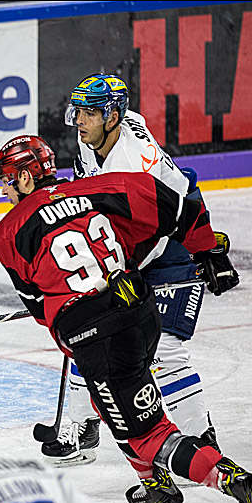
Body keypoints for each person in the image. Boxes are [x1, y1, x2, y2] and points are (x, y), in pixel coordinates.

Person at [0, 134, 252, 503]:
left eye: (5, 181)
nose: (3, 191)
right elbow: (181, 207)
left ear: (25, 177)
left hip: (102, 334)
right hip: (140, 311)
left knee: (149, 435)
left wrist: (74, 334)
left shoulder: (8, 233)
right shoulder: (104, 186)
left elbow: (38, 305)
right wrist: (207, 251)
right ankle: (155, 485)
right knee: (109, 396)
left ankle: (238, 482)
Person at [43, 73, 220, 476]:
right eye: (80, 111)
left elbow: (176, 209)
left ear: (112, 117)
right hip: (130, 245)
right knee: (85, 332)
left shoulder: (137, 160)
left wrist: (204, 251)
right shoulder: (95, 142)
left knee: (168, 351)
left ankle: (201, 439)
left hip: (170, 244)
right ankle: (82, 426)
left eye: (89, 112)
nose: (79, 121)